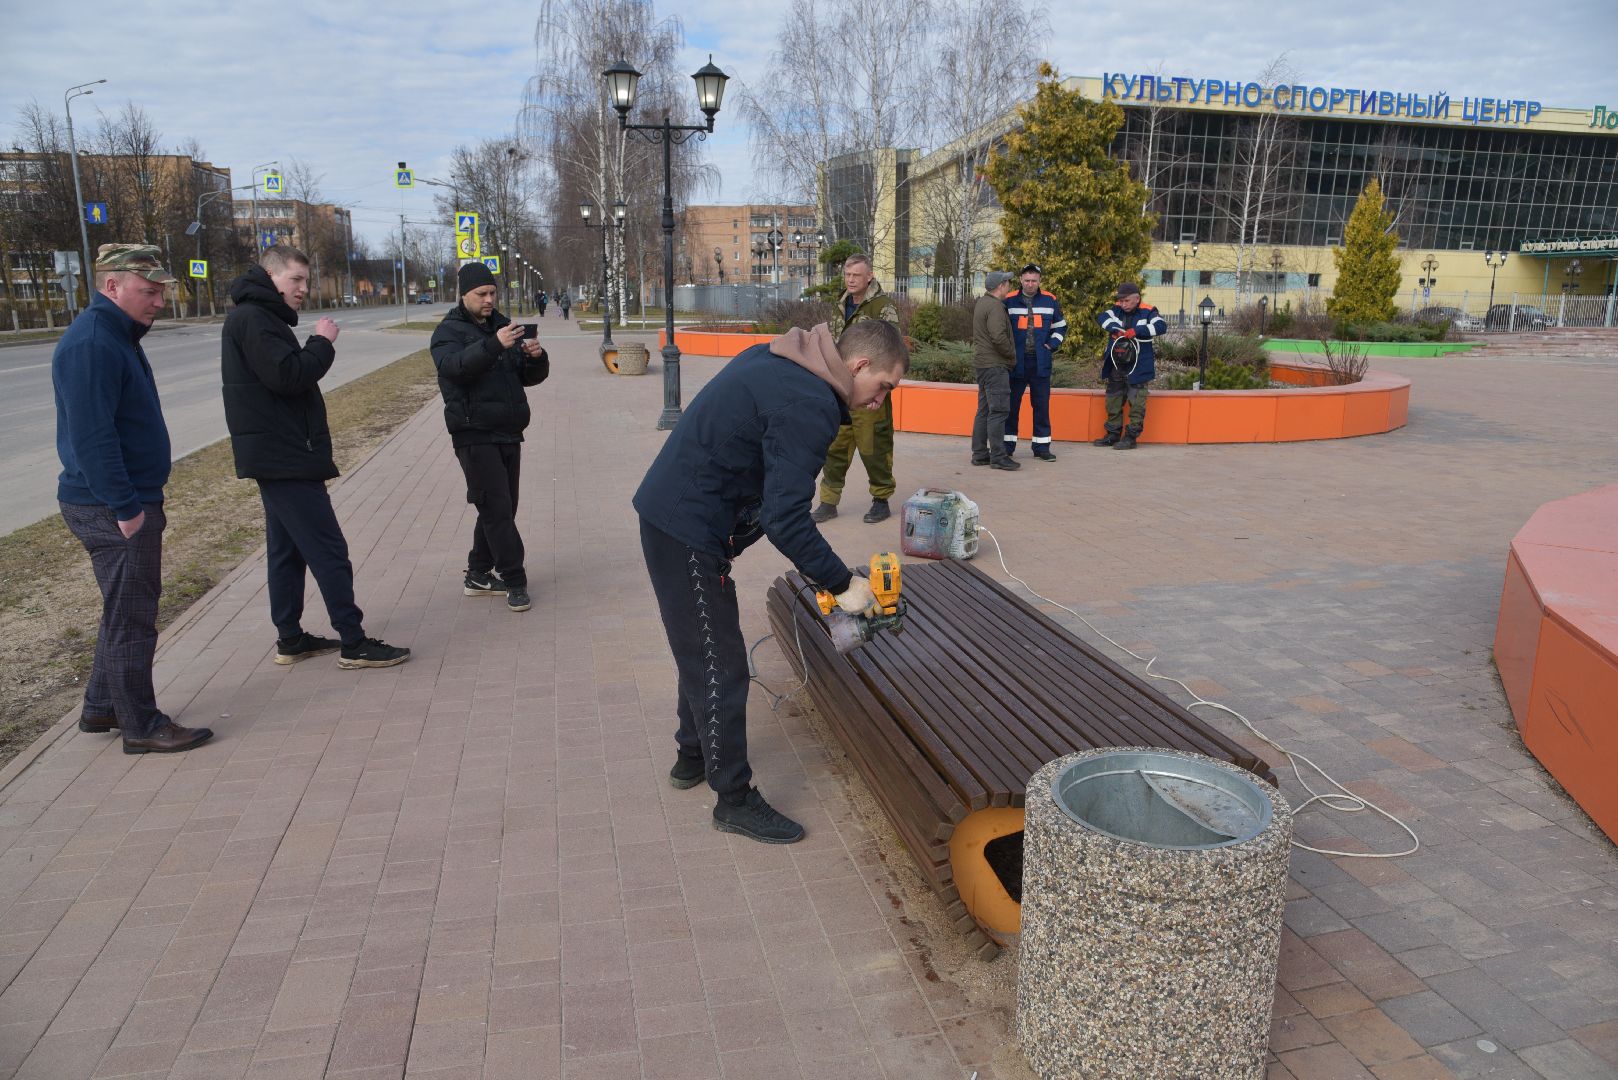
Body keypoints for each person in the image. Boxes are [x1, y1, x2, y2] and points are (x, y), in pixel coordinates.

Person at [634, 319, 909, 843]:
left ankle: (691, 757)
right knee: (723, 663)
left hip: (680, 515)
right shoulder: (810, 402)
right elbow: (786, 518)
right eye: (883, 389)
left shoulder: (784, 359)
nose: (879, 404)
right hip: (685, 525)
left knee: (703, 645)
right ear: (858, 366)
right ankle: (733, 800)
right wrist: (842, 583)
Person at [54, 244, 213, 754]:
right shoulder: (94, 343)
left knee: (123, 607)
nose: (159, 302)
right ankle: (141, 724)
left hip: (119, 499)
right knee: (133, 616)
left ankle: (103, 705)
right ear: (112, 286)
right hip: (110, 505)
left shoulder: (117, 334)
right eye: (149, 291)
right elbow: (92, 437)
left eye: (162, 291)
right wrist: (125, 507)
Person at [221, 245, 410, 669]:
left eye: (306, 280)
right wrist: (321, 342)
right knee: (328, 549)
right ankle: (354, 641)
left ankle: (290, 638)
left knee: (286, 550)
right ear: (271, 278)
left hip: (278, 452)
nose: (304, 289)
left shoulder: (257, 317)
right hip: (284, 455)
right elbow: (289, 376)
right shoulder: (254, 319)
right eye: (296, 280)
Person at [430, 262, 550, 612]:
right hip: (473, 432)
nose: (488, 299)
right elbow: (456, 368)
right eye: (481, 294)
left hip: (508, 430)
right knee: (497, 509)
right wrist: (494, 346)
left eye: (492, 293)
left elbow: (527, 378)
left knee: (502, 506)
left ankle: (478, 573)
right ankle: (515, 580)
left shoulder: (503, 326)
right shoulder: (447, 332)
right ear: (464, 294)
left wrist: (535, 358)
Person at [810, 254, 902, 524]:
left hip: (870, 392)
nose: (850, 280)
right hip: (840, 390)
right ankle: (828, 501)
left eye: (856, 276)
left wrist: (882, 391)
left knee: (874, 447)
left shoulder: (882, 308)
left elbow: (893, 353)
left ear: (869, 277)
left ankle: (881, 499)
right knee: (834, 447)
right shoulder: (840, 305)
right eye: (847, 275)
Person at [1003, 264, 1067, 461]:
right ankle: (1007, 447)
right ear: (1021, 280)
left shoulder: (1050, 300)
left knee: (1041, 406)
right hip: (1016, 363)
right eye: (1027, 280)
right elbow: (1001, 329)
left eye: (1034, 280)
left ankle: (1042, 447)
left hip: (1040, 361)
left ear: (1039, 281)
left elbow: (1061, 326)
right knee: (1011, 406)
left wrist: (1051, 345)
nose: (1030, 284)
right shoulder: (1009, 300)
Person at [1094, 282, 1167, 450]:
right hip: (1117, 364)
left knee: (1137, 402)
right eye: (1121, 301)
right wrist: (1115, 328)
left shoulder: (1149, 311)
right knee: (1113, 399)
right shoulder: (1116, 309)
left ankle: (1131, 438)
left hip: (1139, 365)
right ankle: (1112, 435)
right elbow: (1102, 318)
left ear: (1137, 299)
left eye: (1127, 301)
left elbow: (1161, 326)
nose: (1123, 304)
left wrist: (1137, 331)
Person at [971, 271, 1021, 470]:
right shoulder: (996, 307)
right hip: (995, 366)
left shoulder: (982, 303)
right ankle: (999, 456)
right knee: (999, 411)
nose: (1010, 285)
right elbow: (998, 336)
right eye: (1008, 282)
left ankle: (980, 453)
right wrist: (1011, 355)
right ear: (1001, 285)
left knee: (983, 410)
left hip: (983, 365)